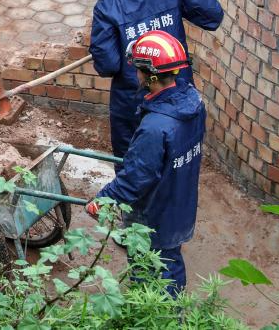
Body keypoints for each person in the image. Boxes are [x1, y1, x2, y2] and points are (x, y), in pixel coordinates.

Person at [82, 0, 223, 159]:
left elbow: (107, 66)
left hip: (135, 105)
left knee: (134, 167)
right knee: (178, 165)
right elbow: (213, 15)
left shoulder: (107, 7)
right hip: (179, 94)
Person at [85, 30, 206, 297]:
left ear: (149, 75)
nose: (136, 74)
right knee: (170, 263)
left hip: (153, 214)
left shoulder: (155, 127)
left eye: (138, 69)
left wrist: (103, 199)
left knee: (148, 273)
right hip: (180, 201)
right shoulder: (194, 103)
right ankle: (174, 316)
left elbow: (136, 179)